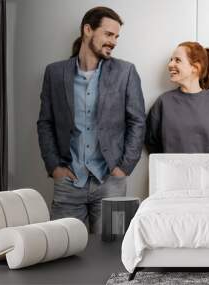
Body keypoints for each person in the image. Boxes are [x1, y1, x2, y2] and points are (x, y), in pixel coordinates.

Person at [37, 7, 146, 233]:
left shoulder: (125, 72)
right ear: (88, 30)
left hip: (111, 183)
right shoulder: (55, 73)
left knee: (115, 254)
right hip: (68, 184)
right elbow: (45, 122)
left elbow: (137, 121)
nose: (114, 41)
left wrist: (124, 168)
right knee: (63, 250)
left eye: (116, 36)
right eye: (108, 34)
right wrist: (54, 167)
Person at [145, 41, 209, 153]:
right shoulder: (163, 102)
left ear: (195, 67)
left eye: (177, 60)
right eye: (171, 60)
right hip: (172, 170)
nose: (170, 64)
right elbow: (151, 141)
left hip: (208, 170)